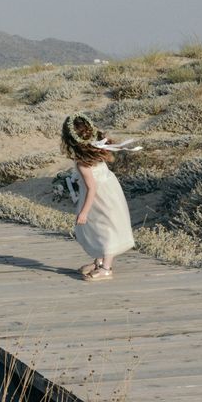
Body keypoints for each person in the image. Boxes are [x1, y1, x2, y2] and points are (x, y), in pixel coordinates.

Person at [60, 113, 137, 281]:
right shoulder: (95, 150)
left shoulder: (82, 163)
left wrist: (84, 212)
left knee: (105, 228)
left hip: (99, 196)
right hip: (108, 190)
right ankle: (99, 261)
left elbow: (91, 187)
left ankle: (106, 268)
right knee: (99, 226)